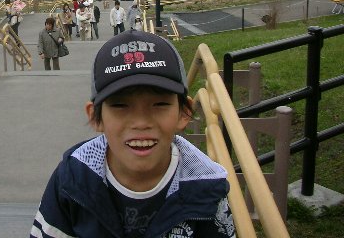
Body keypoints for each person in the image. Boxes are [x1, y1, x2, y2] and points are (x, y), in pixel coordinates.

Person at [30, 30, 235, 237]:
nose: (141, 122)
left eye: (160, 104)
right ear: (95, 117)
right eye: (120, 105)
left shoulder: (206, 185)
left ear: (184, 113)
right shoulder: (74, 178)